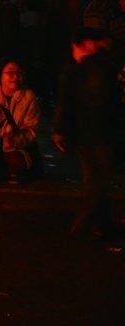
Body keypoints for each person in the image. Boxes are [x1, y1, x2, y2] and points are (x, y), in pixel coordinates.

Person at [53, 28, 121, 238]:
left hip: (84, 133)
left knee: (94, 180)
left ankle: (95, 224)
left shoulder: (74, 72)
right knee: (99, 180)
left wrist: (60, 130)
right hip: (105, 132)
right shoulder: (108, 68)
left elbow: (65, 105)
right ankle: (90, 225)